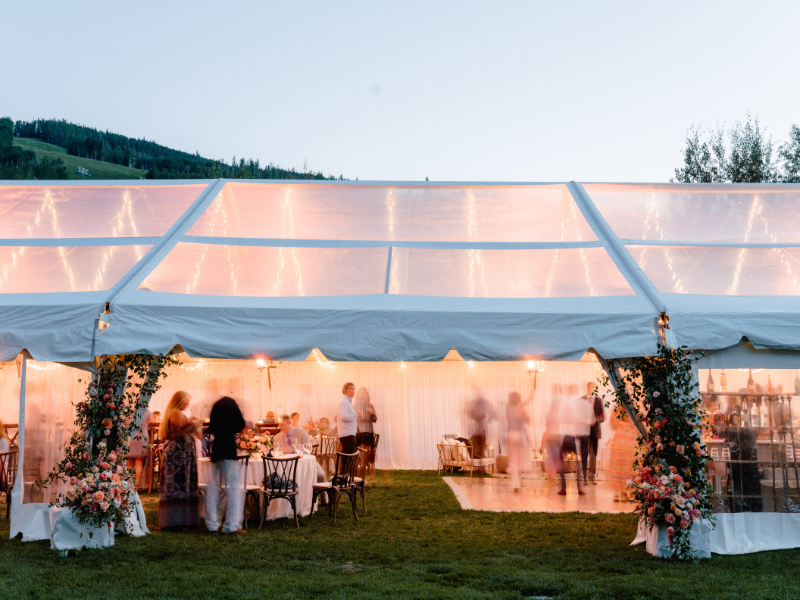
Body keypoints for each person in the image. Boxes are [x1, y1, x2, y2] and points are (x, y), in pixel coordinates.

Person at [204, 396, 247, 534]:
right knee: (234, 490)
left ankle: (211, 525)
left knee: (212, 490)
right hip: (228, 447)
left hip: (217, 449)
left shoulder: (216, 406)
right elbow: (240, 424)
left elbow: (211, 427)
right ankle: (230, 526)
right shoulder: (232, 405)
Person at [158, 391, 201, 529]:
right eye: (187, 401)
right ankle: (175, 520)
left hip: (184, 452)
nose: (188, 404)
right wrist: (195, 423)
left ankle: (183, 519)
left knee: (183, 485)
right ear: (180, 401)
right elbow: (182, 430)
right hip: (178, 454)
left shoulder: (179, 413)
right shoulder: (175, 412)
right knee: (178, 485)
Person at [558, 390, 594, 496]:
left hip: (571, 435)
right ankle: (581, 488)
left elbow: (565, 418)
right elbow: (592, 421)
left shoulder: (573, 405)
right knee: (581, 462)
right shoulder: (588, 405)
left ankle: (563, 487)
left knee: (561, 458)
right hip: (583, 436)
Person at [607, 405, 639, 502]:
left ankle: (622, 493)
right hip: (632, 442)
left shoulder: (617, 409)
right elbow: (639, 426)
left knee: (619, 468)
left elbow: (612, 425)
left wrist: (621, 426)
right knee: (631, 468)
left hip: (620, 441)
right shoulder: (634, 409)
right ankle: (632, 492)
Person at [506, 391, 531, 492]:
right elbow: (528, 420)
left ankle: (516, 484)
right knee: (521, 458)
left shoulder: (508, 409)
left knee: (513, 460)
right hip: (520, 435)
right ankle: (519, 482)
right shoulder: (520, 409)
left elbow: (508, 421)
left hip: (511, 434)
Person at [584, 382, 605, 485]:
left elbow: (602, 417)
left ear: (595, 388)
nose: (590, 388)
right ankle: (583, 477)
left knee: (593, 453)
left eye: (592, 386)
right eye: (588, 386)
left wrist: (597, 419)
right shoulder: (582, 399)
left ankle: (592, 477)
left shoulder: (599, 400)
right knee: (583, 453)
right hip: (583, 430)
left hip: (594, 431)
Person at [127, 408, 152, 491]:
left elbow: (126, 423)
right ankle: (136, 486)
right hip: (142, 437)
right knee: (139, 462)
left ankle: (128, 484)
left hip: (131, 437)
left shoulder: (131, 411)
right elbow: (152, 423)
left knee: (130, 463)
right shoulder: (148, 412)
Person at [468, 392, 495, 459]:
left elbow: (491, 414)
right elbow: (476, 416)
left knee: (480, 450)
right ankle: (480, 456)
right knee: (478, 450)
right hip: (477, 434)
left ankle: (481, 456)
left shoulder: (481, 412)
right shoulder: (474, 412)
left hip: (480, 433)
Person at [337, 382, 360, 454]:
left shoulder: (347, 401)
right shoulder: (344, 402)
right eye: (351, 389)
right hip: (348, 435)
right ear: (345, 390)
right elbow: (344, 417)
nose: (353, 391)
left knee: (347, 460)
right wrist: (356, 414)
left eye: (354, 389)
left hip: (348, 435)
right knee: (350, 460)